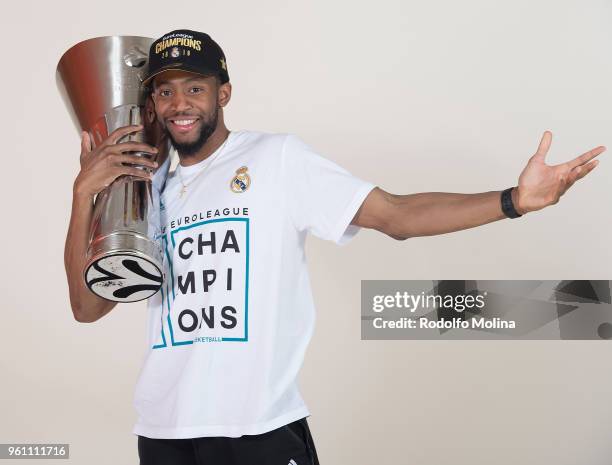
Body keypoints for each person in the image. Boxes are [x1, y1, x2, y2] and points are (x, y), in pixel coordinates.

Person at [64, 29, 605, 465]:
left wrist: (514, 199)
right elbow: (88, 307)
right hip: (163, 433)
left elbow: (396, 216)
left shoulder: (277, 160)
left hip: (258, 431)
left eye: (194, 88)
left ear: (222, 93)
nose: (179, 104)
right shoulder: (143, 187)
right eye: (164, 91)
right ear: (152, 104)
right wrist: (83, 196)